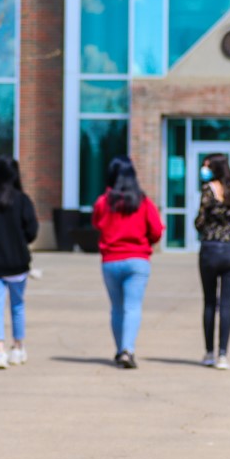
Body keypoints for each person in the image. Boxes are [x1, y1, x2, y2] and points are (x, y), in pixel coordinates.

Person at [91, 156, 163, 368]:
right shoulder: (143, 202)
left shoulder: (103, 202)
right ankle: (127, 350)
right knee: (133, 307)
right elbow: (157, 231)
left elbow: (97, 225)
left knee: (117, 308)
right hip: (137, 260)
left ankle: (119, 349)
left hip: (111, 260)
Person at [0, 155, 39, 369]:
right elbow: (31, 232)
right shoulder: (23, 200)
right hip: (17, 264)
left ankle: (0, 351)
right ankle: (18, 348)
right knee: (18, 306)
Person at [194, 152, 230, 369]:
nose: (204, 170)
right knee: (226, 305)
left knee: (210, 302)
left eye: (207, 166)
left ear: (215, 168)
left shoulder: (208, 190)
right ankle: (222, 355)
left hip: (210, 248)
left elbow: (200, 221)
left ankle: (209, 352)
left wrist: (208, 224)